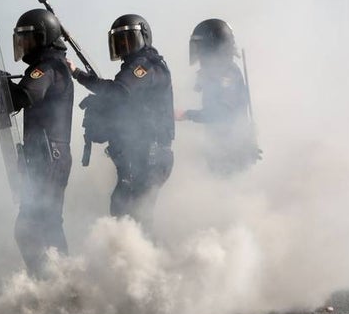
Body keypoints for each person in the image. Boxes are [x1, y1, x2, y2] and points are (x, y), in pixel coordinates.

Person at [0, 9, 74, 276]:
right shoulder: (51, 66)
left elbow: (24, 96)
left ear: (43, 38)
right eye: (21, 39)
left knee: (35, 225)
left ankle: (58, 282)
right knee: (42, 224)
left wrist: (1, 83)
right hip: (45, 154)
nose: (23, 45)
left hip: (50, 156)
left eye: (28, 38)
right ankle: (56, 282)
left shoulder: (47, 68)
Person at [72, 14, 174, 229]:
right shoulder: (136, 68)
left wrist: (78, 74)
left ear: (142, 37)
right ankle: (136, 259)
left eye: (128, 40)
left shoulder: (145, 67)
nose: (124, 46)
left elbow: (118, 92)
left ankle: (144, 260)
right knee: (125, 213)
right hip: (138, 155)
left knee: (134, 216)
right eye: (119, 42)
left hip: (149, 156)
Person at [177, 19, 260, 175]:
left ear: (211, 46)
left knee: (226, 193)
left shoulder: (227, 74)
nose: (198, 52)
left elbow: (221, 113)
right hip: (222, 151)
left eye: (200, 46)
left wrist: (187, 114)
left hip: (231, 154)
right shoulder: (216, 72)